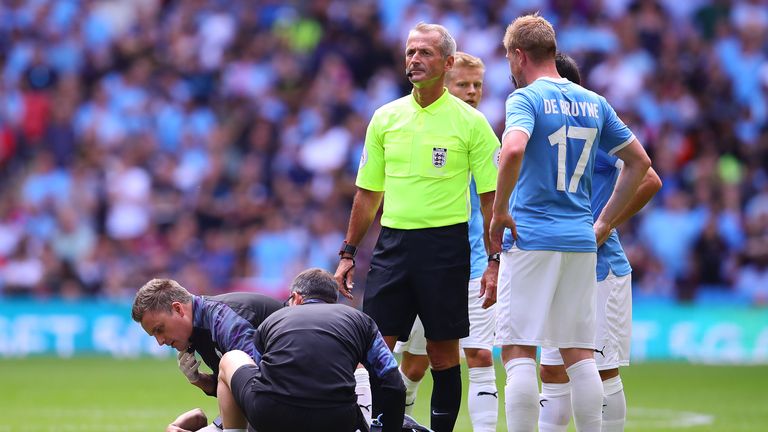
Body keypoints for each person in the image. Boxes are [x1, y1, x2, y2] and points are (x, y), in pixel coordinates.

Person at [333, 22, 500, 432]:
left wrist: (494, 259)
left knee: (443, 356)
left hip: (446, 247)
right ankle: (379, 427)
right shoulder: (385, 118)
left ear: (446, 63)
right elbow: (368, 194)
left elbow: (491, 199)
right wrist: (348, 252)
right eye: (410, 52)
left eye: (424, 53)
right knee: (376, 350)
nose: (414, 60)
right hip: (394, 246)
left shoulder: (472, 123)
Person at [490, 14, 652, 432]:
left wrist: (500, 210)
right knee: (581, 354)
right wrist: (604, 222)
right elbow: (641, 164)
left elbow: (511, 151)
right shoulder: (594, 102)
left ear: (518, 55)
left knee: (519, 349)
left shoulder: (524, 99)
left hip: (531, 236)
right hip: (580, 240)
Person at [536, 53, 662, 432]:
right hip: (558, 265)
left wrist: (606, 224)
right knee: (552, 369)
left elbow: (649, 178)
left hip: (601, 268)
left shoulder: (595, 126)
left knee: (601, 367)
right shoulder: (541, 126)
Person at [393, 51, 499, 431]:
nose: (472, 93)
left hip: (471, 265)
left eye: (477, 86)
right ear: (445, 83)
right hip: (426, 262)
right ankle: (396, 419)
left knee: (480, 354)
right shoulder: (422, 130)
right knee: (416, 364)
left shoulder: (482, 132)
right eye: (463, 85)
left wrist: (495, 258)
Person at [131, 279, 373, 431]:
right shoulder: (202, 326)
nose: (161, 341)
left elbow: (261, 387)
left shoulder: (226, 322)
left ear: (177, 309)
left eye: (159, 330)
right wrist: (202, 382)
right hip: (294, 402)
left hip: (306, 406)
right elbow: (243, 386)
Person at [214, 268, 406, 432]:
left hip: (272, 415)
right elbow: (394, 385)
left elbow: (258, 379)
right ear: (334, 301)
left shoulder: (272, 320)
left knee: (232, 358)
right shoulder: (361, 321)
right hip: (337, 420)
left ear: (296, 298)